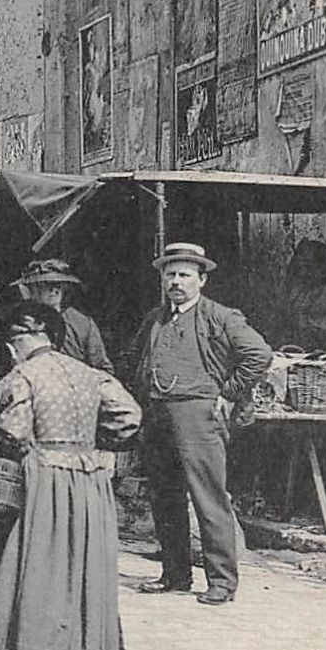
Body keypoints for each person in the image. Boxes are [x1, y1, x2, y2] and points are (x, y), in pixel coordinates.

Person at [0, 302, 142, 650]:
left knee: (37, 577)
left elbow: (12, 431)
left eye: (13, 341)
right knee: (82, 578)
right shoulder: (92, 374)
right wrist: (92, 445)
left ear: (20, 341)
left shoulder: (20, 376)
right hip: (89, 485)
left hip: (42, 481)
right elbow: (131, 417)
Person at [127, 242, 273, 606]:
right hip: (159, 415)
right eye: (170, 274)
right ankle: (175, 575)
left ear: (201, 280)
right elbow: (134, 358)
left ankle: (222, 582)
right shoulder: (155, 319)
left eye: (184, 275)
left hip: (200, 416)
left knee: (208, 498)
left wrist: (229, 393)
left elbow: (259, 354)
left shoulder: (220, 317)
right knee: (164, 496)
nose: (176, 282)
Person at [12, 259, 113, 373]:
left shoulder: (82, 324)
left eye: (58, 284)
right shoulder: (17, 321)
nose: (54, 289)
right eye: (44, 284)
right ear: (29, 289)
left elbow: (103, 371)